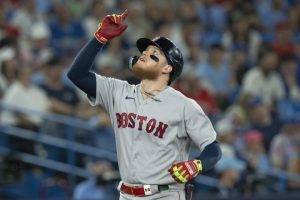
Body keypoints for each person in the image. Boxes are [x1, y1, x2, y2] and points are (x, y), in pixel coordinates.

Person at [67, 10, 221, 200]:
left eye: (153, 53)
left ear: (167, 68)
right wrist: (98, 39)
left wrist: (196, 165)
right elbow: (77, 75)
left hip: (166, 194)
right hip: (126, 193)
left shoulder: (184, 105)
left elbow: (213, 149)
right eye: (145, 51)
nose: (145, 54)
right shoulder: (119, 91)